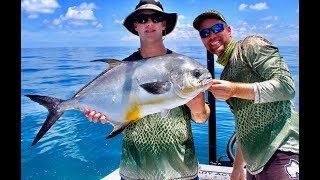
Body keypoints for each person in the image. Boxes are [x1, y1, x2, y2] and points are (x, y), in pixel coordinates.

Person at [85, 1, 210, 179]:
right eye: (142, 19)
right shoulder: (122, 68)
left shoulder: (181, 65)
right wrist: (103, 114)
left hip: (181, 171)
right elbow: (114, 106)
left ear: (164, 24)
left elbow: (201, 118)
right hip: (135, 172)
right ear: (136, 25)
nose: (149, 23)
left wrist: (198, 106)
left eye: (156, 18)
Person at [192, 10, 299, 180]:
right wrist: (237, 167)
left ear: (229, 30)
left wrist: (234, 89)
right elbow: (243, 124)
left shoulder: (250, 45)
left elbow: (287, 87)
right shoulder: (226, 74)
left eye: (217, 28)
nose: (211, 36)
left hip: (282, 151)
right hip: (254, 164)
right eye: (205, 33)